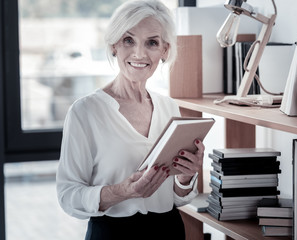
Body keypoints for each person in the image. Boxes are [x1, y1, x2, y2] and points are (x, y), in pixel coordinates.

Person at [56, 1, 204, 239]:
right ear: (114, 45)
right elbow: (68, 197)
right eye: (128, 40)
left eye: (152, 43)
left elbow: (176, 198)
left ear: (165, 50)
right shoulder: (85, 112)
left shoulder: (169, 107)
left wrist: (186, 177)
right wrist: (122, 192)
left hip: (169, 230)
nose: (139, 54)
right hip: (113, 233)